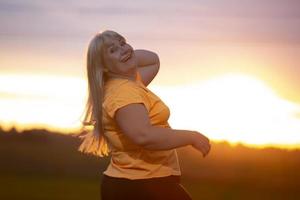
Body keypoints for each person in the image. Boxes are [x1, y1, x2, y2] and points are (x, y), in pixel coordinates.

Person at [74, 30, 211, 200]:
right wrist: (191, 137)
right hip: (141, 186)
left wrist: (123, 56)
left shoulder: (128, 83)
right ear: (103, 66)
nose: (123, 49)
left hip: (139, 182)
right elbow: (143, 135)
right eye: (112, 50)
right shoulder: (123, 92)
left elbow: (153, 61)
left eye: (122, 42)